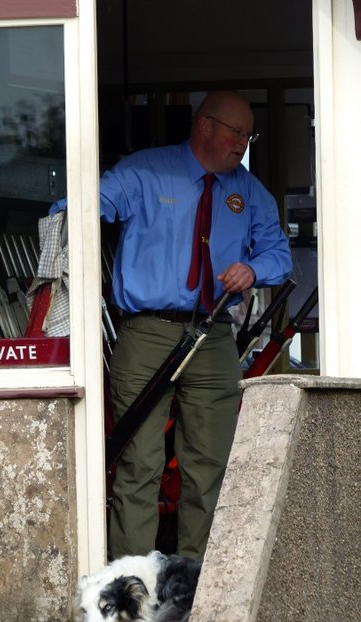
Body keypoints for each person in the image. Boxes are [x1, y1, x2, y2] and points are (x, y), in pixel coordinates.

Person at [53, 90, 292, 561]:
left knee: (209, 464)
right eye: (236, 132)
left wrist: (253, 270)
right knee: (140, 462)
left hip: (214, 334)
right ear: (205, 125)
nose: (243, 142)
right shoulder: (146, 171)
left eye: (249, 134)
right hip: (148, 333)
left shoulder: (249, 190)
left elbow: (279, 255)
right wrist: (79, 214)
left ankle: (195, 587)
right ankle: (132, 590)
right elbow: (75, 208)